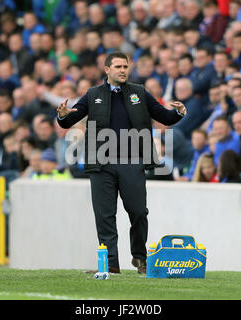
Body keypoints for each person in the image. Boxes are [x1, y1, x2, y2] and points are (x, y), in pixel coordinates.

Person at [56, 51, 187, 274]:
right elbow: (70, 119)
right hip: (101, 163)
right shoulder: (93, 94)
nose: (123, 70)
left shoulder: (139, 92)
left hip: (132, 161)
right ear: (107, 70)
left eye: (125, 67)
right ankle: (111, 264)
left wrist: (178, 114)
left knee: (138, 212)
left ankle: (139, 257)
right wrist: (62, 115)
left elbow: (164, 117)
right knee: (105, 215)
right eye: (118, 67)